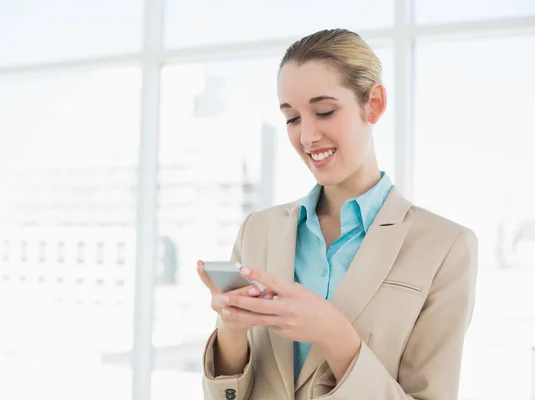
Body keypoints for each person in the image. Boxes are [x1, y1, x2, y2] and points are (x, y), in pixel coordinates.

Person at [197, 28, 478, 400]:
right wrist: (230, 328)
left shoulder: (444, 246)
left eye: (325, 111)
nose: (308, 136)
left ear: (373, 103)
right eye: (292, 118)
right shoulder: (258, 230)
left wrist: (334, 335)